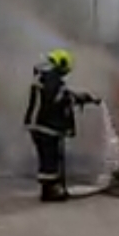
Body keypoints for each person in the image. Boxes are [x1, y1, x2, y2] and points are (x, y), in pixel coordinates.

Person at [23, 49, 100, 201]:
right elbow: (60, 99)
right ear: (60, 63)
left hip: (39, 125)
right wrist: (82, 99)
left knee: (47, 160)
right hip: (47, 126)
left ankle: (49, 190)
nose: (64, 74)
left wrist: (83, 98)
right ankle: (52, 192)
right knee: (51, 160)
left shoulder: (43, 77)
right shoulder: (51, 79)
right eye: (64, 70)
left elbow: (62, 95)